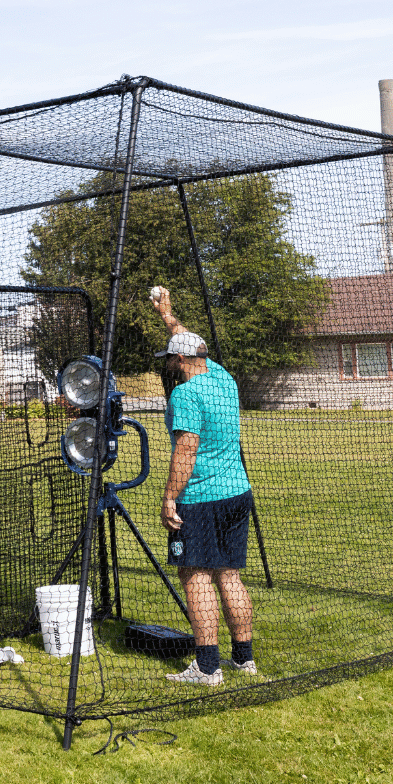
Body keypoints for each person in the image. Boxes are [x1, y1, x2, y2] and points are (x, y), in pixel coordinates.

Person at [151, 286, 257, 685]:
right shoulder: (223, 379)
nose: (172, 366)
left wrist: (169, 498)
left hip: (200, 499)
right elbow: (195, 343)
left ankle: (207, 667)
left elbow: (186, 450)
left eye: (172, 359)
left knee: (195, 577)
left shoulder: (185, 393)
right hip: (237, 493)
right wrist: (168, 315)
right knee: (229, 575)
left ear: (180, 358)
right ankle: (243, 659)